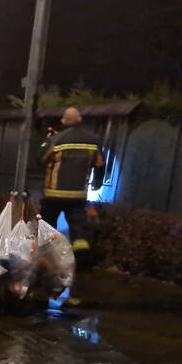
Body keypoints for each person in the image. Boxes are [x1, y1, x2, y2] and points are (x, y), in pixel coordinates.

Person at [39, 107, 104, 303]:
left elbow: (41, 160)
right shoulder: (93, 140)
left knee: (47, 226)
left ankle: (48, 259)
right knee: (78, 227)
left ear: (65, 121)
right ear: (81, 119)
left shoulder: (57, 140)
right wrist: (98, 182)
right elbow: (100, 164)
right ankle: (80, 252)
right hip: (78, 194)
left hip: (53, 193)